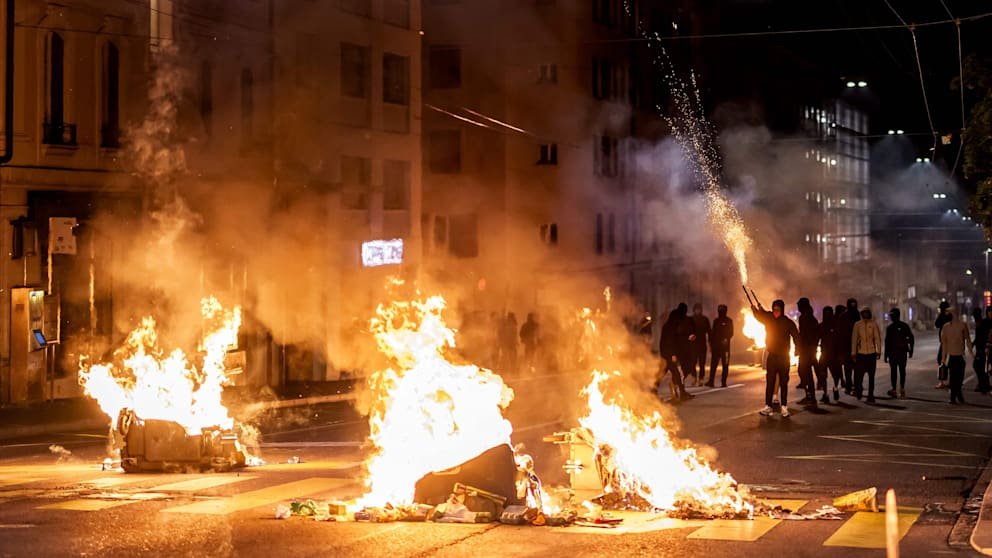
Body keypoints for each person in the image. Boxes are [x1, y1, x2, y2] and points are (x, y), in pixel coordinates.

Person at [752, 298, 799, 417]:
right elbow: (760, 316)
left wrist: (798, 349)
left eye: (777, 310)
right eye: (774, 310)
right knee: (770, 382)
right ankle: (768, 406)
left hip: (784, 357)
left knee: (784, 382)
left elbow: (796, 336)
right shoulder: (769, 319)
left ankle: (784, 407)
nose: (775, 312)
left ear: (782, 310)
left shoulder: (788, 322)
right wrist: (754, 310)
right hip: (772, 356)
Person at [940, 307, 973, 404]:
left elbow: (968, 340)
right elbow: (944, 345)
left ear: (954, 314)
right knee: (953, 378)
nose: (947, 315)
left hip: (960, 356)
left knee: (960, 378)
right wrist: (943, 359)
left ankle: (957, 395)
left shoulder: (963, 325)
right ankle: (953, 397)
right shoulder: (945, 327)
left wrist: (971, 353)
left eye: (948, 313)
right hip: (952, 356)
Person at [658, 307, 690, 402]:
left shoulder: (670, 326)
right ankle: (682, 393)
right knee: (676, 374)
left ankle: (653, 391)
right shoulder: (669, 327)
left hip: (667, 354)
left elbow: (676, 340)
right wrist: (672, 354)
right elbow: (669, 342)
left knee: (663, 373)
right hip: (669, 355)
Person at [852, 308, 882, 402]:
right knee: (859, 375)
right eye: (863, 313)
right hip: (861, 354)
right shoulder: (857, 324)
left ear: (869, 313)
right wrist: (853, 353)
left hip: (871, 354)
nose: (865, 314)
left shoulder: (873, 324)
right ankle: (859, 389)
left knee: (871, 376)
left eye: (867, 313)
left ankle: (871, 395)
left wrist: (878, 351)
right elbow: (854, 339)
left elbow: (877, 338)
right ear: (861, 314)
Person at [884, 308, 915, 399]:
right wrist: (911, 350)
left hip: (893, 353)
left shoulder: (890, 328)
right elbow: (911, 338)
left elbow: (887, 342)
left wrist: (886, 355)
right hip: (902, 353)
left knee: (894, 371)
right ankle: (902, 388)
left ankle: (894, 389)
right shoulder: (905, 326)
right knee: (902, 371)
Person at [796, 298, 820, 406]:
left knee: (805, 372)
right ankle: (810, 395)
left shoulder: (805, 318)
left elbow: (803, 335)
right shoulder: (811, 317)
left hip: (806, 350)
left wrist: (799, 347)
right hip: (809, 349)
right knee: (806, 372)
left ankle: (810, 396)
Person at [819, 306, 843, 403]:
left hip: (833, 354)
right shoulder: (823, 326)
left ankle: (834, 389)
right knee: (824, 374)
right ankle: (826, 393)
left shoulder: (836, 326)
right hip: (826, 353)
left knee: (835, 374)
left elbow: (840, 340)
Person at [708, 304, 734, 387]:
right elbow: (712, 334)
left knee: (725, 365)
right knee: (713, 365)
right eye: (720, 310)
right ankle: (711, 381)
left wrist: (726, 338)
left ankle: (723, 382)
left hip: (725, 348)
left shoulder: (729, 321)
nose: (721, 312)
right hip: (716, 347)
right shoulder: (716, 321)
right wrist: (711, 345)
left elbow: (731, 333)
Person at [839, 298, 859, 395]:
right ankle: (849, 385)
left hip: (855, 346)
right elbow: (840, 331)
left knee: (856, 368)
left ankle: (855, 386)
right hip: (846, 345)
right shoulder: (843, 316)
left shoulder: (857, 315)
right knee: (848, 368)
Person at [690, 303, 710, 386]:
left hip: (702, 344)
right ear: (694, 310)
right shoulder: (690, 319)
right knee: (692, 362)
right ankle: (694, 377)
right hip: (693, 345)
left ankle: (701, 378)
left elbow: (709, 331)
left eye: (699, 309)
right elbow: (687, 331)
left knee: (702, 363)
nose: (698, 311)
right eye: (696, 309)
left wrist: (710, 342)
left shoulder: (705, 319)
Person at [973, 307, 992, 394]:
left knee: (981, 366)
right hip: (982, 348)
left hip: (987, 348)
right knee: (980, 366)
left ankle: (984, 385)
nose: (990, 313)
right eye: (989, 312)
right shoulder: (983, 322)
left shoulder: (984, 323)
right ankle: (984, 384)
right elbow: (979, 337)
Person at [935, 301, 952, 389]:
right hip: (951, 341)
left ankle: (943, 382)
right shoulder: (951, 316)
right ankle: (950, 381)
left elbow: (936, 324)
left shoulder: (943, 316)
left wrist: (940, 315)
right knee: (949, 361)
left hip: (945, 342)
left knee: (941, 360)